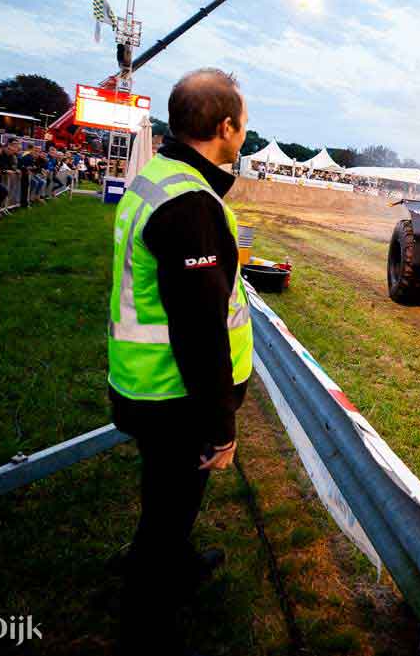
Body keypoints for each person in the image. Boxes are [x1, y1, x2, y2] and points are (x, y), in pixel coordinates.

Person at [108, 68, 254, 654]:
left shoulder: (160, 177)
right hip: (175, 398)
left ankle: (177, 564)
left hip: (145, 386)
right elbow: (199, 333)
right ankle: (148, 620)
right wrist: (221, 425)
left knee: (168, 499)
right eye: (243, 125)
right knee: (168, 512)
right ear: (226, 127)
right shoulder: (191, 204)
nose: (243, 135)